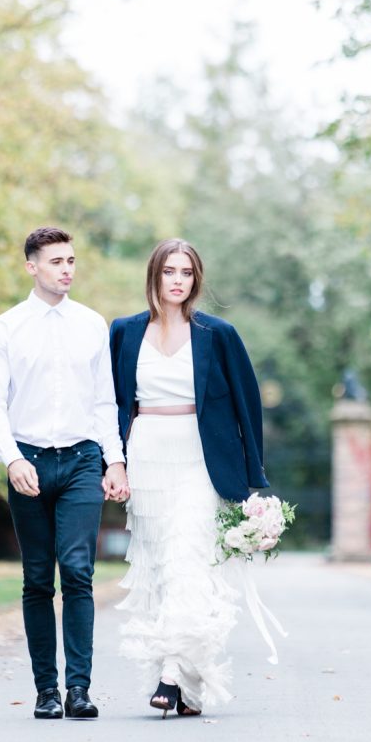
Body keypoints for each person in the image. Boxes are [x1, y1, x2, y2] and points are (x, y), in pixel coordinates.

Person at [109, 238, 269, 717]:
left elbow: (248, 403)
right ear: (154, 276)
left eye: (187, 273)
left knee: (188, 560)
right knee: (162, 567)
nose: (178, 280)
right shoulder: (123, 332)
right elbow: (112, 403)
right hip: (147, 453)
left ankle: (170, 676)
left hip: (201, 457)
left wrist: (252, 476)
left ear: (196, 280)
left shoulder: (219, 334)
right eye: (169, 271)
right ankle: (189, 689)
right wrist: (112, 461)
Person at [0, 226, 128, 721]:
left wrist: (115, 459)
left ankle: (79, 689)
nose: (67, 269)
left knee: (79, 572)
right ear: (32, 266)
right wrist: (11, 458)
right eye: (57, 261)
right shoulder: (5, 328)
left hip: (83, 459)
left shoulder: (91, 324)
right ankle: (46, 690)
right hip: (29, 462)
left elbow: (104, 400)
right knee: (39, 578)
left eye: (71, 261)